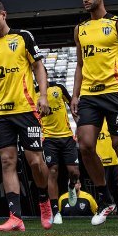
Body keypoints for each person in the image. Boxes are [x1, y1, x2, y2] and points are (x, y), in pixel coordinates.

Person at [0, 0, 54, 231]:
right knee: (7, 161)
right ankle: (15, 216)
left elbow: (38, 67)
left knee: (35, 161)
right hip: (1, 112)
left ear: (4, 15)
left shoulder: (23, 37)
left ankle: (44, 199)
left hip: (26, 108)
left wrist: (43, 96)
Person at [71, 0, 118, 229]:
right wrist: (75, 94)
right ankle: (105, 199)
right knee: (86, 146)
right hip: (89, 95)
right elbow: (80, 65)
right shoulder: (80, 29)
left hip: (115, 93)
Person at [41, 79, 80, 225]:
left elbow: (72, 105)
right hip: (49, 138)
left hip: (67, 136)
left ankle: (71, 186)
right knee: (52, 172)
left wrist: (79, 124)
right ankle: (56, 211)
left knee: (74, 172)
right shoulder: (34, 92)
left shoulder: (59, 88)